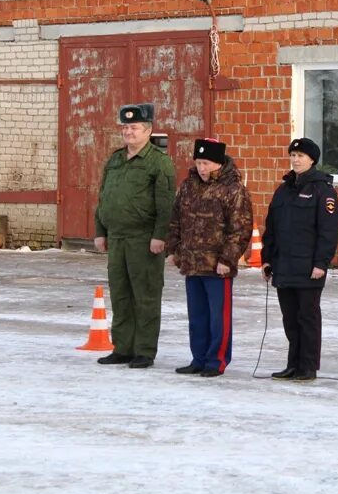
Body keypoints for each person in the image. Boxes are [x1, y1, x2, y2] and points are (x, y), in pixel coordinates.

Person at [94, 103, 176, 369]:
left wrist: (159, 236)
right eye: (125, 127)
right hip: (117, 238)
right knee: (120, 294)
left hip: (144, 239)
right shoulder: (115, 160)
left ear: (148, 130)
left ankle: (144, 350)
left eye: (135, 127)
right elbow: (104, 197)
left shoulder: (158, 162)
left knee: (146, 295)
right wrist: (100, 231)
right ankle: (123, 347)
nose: (129, 132)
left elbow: (165, 204)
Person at [167, 138, 253, 377]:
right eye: (199, 162)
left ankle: (217, 360)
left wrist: (228, 260)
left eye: (206, 163)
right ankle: (199, 358)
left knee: (219, 318)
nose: (202, 168)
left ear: (218, 164)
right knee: (197, 316)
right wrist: (174, 249)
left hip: (217, 266)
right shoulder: (188, 186)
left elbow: (240, 229)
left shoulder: (233, 189)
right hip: (192, 262)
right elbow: (176, 218)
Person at [261, 138, 338, 382]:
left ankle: (308, 366)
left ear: (312, 160)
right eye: (293, 155)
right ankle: (293, 364)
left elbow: (329, 231)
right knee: (290, 319)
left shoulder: (322, 190)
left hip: (308, 268)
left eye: (301, 156)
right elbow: (271, 228)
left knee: (307, 318)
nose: (295, 159)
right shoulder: (284, 189)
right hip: (284, 266)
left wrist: (321, 263)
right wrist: (267, 259)